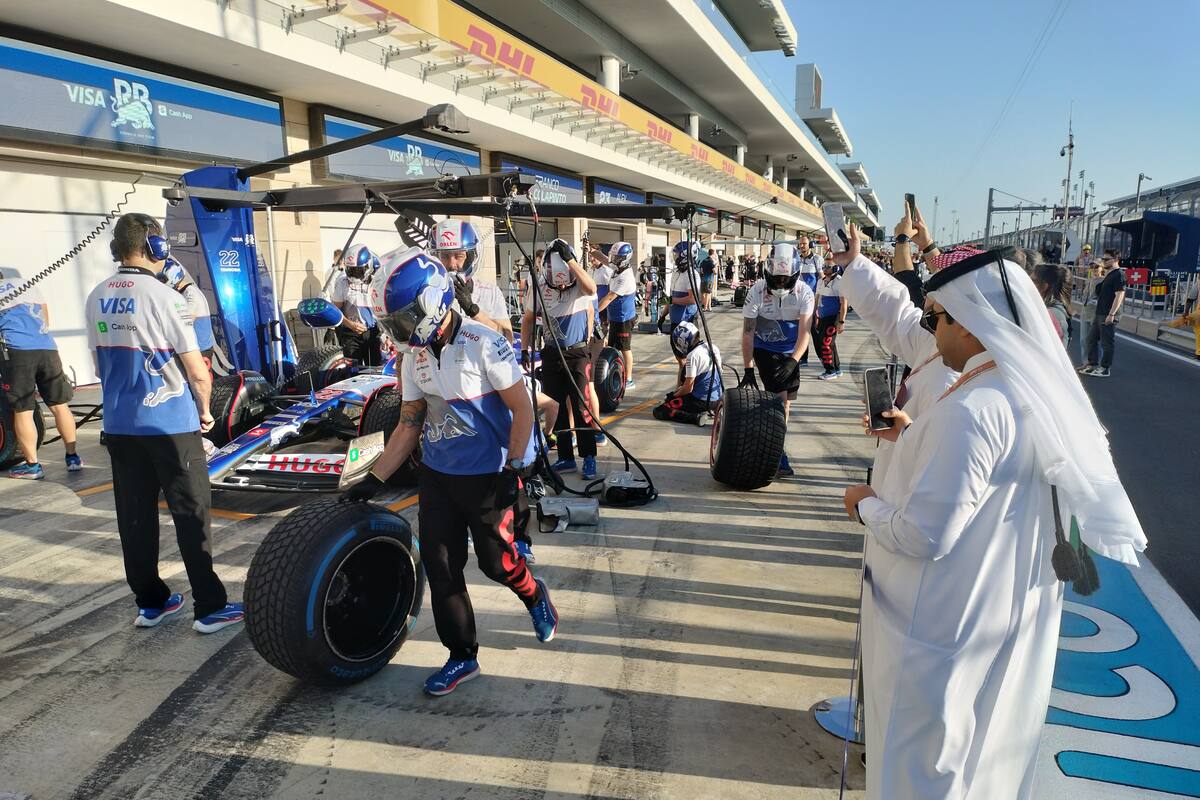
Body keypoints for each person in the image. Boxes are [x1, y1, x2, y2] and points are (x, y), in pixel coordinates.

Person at [842, 244, 1146, 800]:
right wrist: (909, 438)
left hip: (940, 622)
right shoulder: (1023, 392)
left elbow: (924, 534)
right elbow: (985, 485)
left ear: (970, 322)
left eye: (936, 319)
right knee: (983, 750)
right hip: (997, 607)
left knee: (923, 763)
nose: (931, 333)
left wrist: (863, 503)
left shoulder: (972, 410)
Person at [348, 250, 558, 696]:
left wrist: (515, 468)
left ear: (432, 303)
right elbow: (409, 423)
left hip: (488, 476)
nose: (399, 334)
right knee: (441, 567)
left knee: (497, 564)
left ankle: (535, 596)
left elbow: (522, 409)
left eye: (404, 320)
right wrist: (375, 477)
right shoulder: (413, 357)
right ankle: (462, 655)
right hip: (438, 477)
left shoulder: (484, 343)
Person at [86, 213, 242, 633]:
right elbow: (197, 369)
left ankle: (151, 602)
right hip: (171, 425)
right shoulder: (165, 296)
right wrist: (206, 409)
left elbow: (100, 369)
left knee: (134, 517)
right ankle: (209, 607)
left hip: (120, 425)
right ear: (157, 248)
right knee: (192, 515)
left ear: (116, 249)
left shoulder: (96, 295)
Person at [521, 238, 600, 479]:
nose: (563, 289)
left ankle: (588, 456)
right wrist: (525, 349)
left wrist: (570, 261)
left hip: (577, 352)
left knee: (581, 405)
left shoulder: (579, 284)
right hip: (551, 352)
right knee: (556, 404)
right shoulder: (540, 286)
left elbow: (592, 289)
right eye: (559, 285)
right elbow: (527, 319)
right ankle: (565, 457)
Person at [740, 242, 814, 477]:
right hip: (765, 348)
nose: (780, 284)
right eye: (776, 279)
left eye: (785, 279)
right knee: (779, 399)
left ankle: (776, 441)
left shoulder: (805, 292)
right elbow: (748, 332)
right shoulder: (756, 292)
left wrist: (793, 360)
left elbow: (805, 333)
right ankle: (777, 452)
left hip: (792, 350)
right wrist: (748, 368)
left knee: (786, 403)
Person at [0, 268, 81, 478]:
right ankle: (73, 457)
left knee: (23, 411)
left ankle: (33, 467)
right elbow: (45, 318)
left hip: (17, 352)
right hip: (47, 348)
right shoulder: (26, 283)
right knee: (60, 406)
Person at [433, 219, 512, 341]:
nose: (452, 264)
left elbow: (508, 339)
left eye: (459, 256)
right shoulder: (429, 294)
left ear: (470, 257)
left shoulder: (490, 292)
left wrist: (473, 310)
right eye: (445, 256)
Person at [653, 321, 722, 425]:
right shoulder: (712, 347)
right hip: (717, 397)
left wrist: (674, 396)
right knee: (680, 395)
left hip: (701, 401)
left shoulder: (693, 356)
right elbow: (720, 372)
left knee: (660, 410)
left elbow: (688, 387)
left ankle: (694, 418)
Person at [329, 244, 383, 365]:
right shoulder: (342, 281)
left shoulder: (377, 281)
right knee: (353, 372)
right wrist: (350, 324)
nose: (354, 275)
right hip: (350, 334)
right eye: (351, 270)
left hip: (373, 332)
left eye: (358, 271)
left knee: (375, 370)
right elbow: (335, 311)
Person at [158, 258, 215, 368]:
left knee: (197, 382)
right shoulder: (185, 293)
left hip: (200, 351)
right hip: (194, 348)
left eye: (162, 280)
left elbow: (183, 323)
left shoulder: (191, 295)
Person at [597, 241, 638, 390]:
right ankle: (617, 371)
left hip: (624, 318)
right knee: (613, 346)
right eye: (613, 256)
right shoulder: (617, 268)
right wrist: (590, 251)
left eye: (617, 257)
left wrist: (594, 311)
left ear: (625, 259)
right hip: (615, 316)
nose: (613, 260)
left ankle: (629, 379)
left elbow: (608, 298)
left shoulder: (625, 276)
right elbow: (603, 259)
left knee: (625, 348)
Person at [1078, 249, 1125, 377]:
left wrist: (1112, 314)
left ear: (1115, 260)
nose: (1104, 261)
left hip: (1107, 314)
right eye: (1103, 259)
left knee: (1106, 342)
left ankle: (1105, 368)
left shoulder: (1119, 274)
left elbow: (1120, 294)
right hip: (1100, 313)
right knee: (1090, 339)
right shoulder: (1110, 275)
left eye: (1106, 259)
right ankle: (1092, 364)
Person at [814, 263, 847, 380]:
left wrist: (841, 321)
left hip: (833, 317)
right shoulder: (820, 281)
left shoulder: (839, 282)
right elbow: (817, 298)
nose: (825, 267)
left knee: (826, 343)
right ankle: (837, 368)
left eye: (829, 265)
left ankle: (830, 370)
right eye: (825, 265)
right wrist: (814, 314)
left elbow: (844, 303)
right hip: (822, 317)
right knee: (830, 343)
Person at [667, 241, 700, 343]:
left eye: (676, 255)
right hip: (675, 319)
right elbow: (671, 297)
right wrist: (663, 315)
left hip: (687, 320)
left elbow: (693, 299)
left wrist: (672, 300)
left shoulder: (691, 275)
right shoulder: (676, 273)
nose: (675, 257)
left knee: (687, 351)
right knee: (676, 351)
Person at [1033, 263, 1073, 347]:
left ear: (1044, 286)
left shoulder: (1050, 315)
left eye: (1033, 281)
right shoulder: (1059, 310)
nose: (1028, 284)